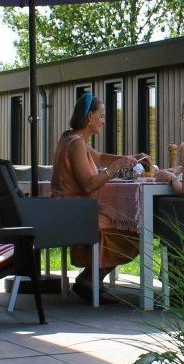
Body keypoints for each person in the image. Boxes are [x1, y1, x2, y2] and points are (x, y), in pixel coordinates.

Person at [51, 90, 153, 302]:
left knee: (122, 222)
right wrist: (116, 167)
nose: (104, 121)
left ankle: (90, 279)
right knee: (132, 229)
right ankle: (90, 279)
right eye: (102, 115)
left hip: (66, 211)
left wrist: (130, 158)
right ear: (90, 117)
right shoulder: (76, 143)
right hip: (76, 215)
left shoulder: (70, 137)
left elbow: (98, 158)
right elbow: (89, 184)